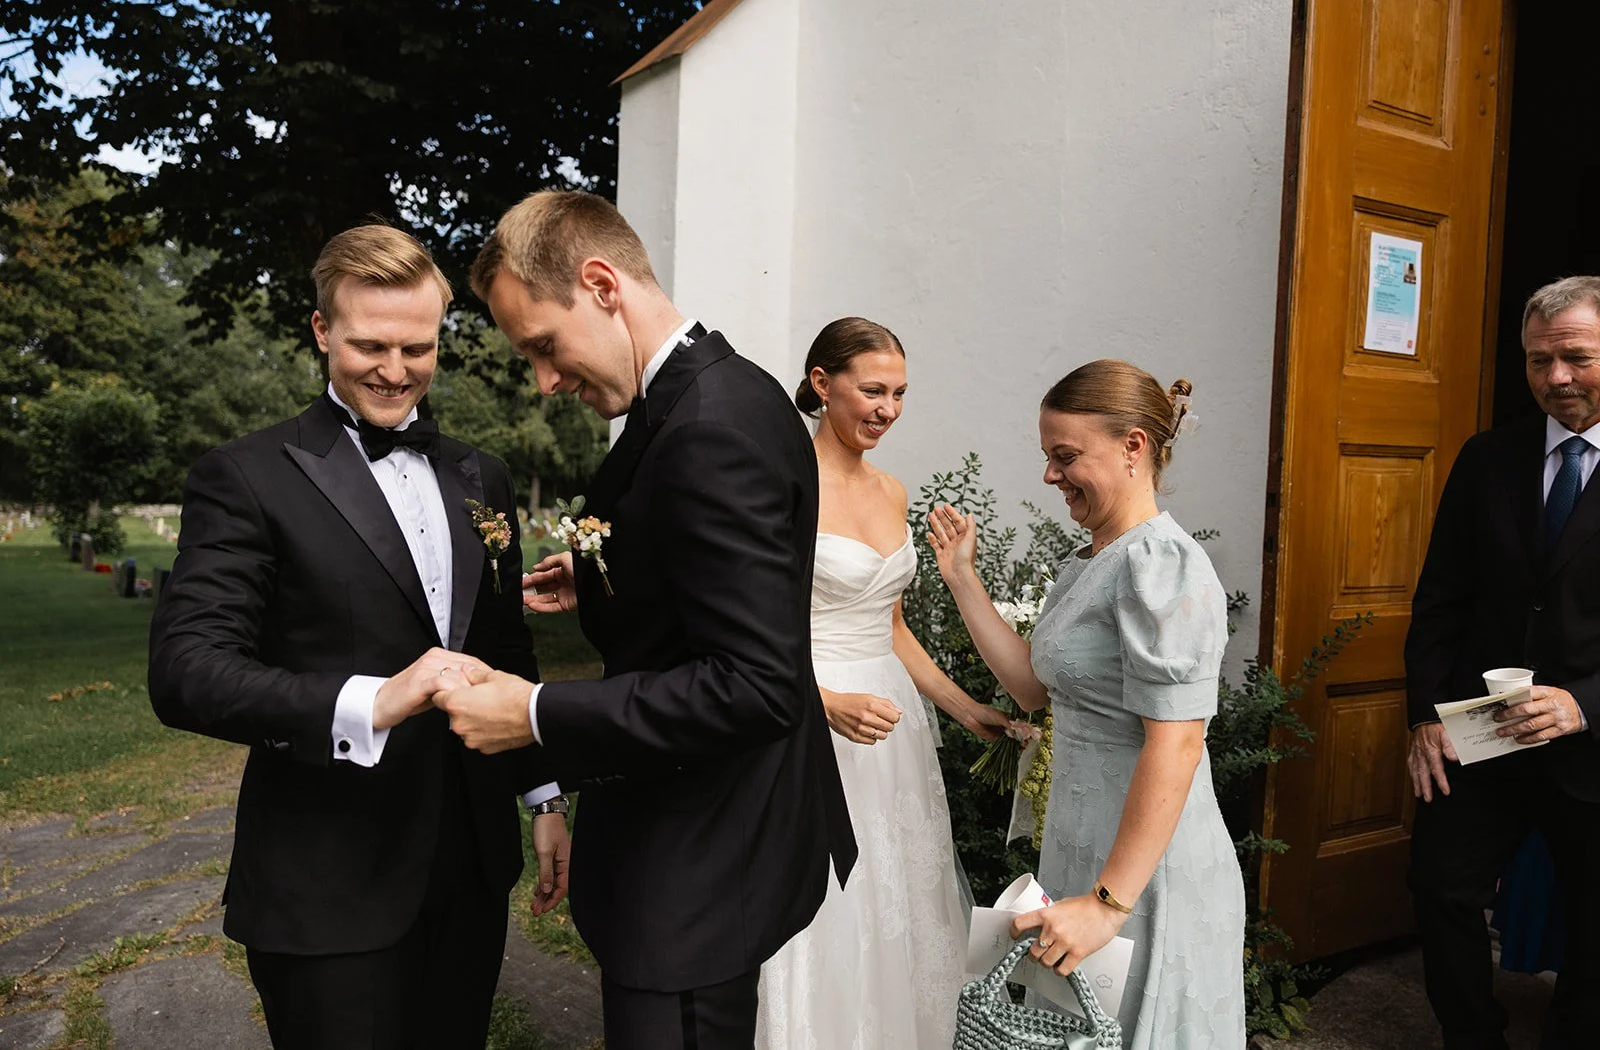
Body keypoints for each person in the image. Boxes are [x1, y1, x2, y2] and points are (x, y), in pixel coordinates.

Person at [430, 189, 857, 1050]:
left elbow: (754, 685)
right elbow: (726, 585)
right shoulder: (716, 391)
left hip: (701, 865)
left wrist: (533, 713)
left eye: (544, 346)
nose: (546, 381)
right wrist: (608, 580)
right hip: (699, 841)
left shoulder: (709, 426)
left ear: (601, 283)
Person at [148, 224, 569, 1048]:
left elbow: (504, 645)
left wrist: (541, 794)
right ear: (320, 332)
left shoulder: (483, 475)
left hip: (470, 863)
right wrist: (373, 700)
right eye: (368, 344)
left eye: (418, 347)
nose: (394, 369)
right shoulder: (245, 475)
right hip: (327, 874)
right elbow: (186, 671)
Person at [927, 359, 1245, 1048]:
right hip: (1082, 856)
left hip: (1145, 874)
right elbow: (1035, 689)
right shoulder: (1090, 559)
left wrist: (1108, 903)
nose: (1050, 476)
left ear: (1134, 446)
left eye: (1065, 456)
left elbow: (1177, 741)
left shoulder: (1164, 563)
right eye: (1048, 457)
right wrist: (962, 580)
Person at [753, 318, 1011, 1048]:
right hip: (810, 713)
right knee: (826, 902)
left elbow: (891, 629)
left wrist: (970, 713)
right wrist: (820, 701)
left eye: (899, 393)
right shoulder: (781, 485)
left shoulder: (893, 490)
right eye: (872, 389)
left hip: (894, 733)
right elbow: (754, 626)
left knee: (897, 900)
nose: (887, 408)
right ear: (821, 383)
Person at [1405, 275, 1600, 1049]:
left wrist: (1585, 702)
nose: (1556, 378)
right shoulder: (1487, 458)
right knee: (1439, 886)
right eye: (1537, 360)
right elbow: (1440, 599)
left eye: (1577, 358)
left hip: (1590, 742)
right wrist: (1425, 714)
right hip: (1480, 735)